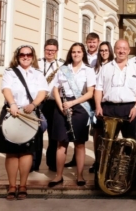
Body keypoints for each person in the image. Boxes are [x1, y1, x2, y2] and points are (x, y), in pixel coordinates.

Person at [0, 45, 48, 200]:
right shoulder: (9, 72)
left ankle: (23, 185)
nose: (25, 57)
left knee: (26, 151)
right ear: (17, 56)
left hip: (30, 113)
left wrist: (33, 105)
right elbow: (6, 89)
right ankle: (12, 186)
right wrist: (12, 104)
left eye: (29, 54)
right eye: (22, 54)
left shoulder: (38, 74)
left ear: (33, 56)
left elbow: (42, 92)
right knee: (11, 152)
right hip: (12, 113)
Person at [48, 43, 95, 188]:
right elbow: (55, 88)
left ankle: (80, 175)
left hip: (80, 106)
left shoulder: (88, 70)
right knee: (61, 143)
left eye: (79, 52)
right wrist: (61, 105)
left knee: (79, 143)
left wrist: (72, 103)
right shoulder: (63, 69)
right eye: (73, 52)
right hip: (62, 105)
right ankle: (58, 176)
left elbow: (90, 93)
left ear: (83, 54)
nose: (76, 54)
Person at [94, 39, 136, 157]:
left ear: (129, 51)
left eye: (124, 49)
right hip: (108, 108)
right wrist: (98, 106)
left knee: (130, 143)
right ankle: (103, 173)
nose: (121, 51)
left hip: (129, 108)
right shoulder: (106, 68)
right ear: (115, 50)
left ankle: (131, 174)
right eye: (119, 48)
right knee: (107, 143)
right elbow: (98, 89)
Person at [65, 33, 99, 168]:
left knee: (91, 132)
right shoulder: (68, 66)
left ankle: (97, 161)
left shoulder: (99, 58)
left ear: (98, 42)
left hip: (89, 97)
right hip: (75, 100)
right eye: (89, 42)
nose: (91, 44)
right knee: (72, 132)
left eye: (94, 42)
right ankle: (75, 159)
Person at [37, 39, 63, 172]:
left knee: (53, 135)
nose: (50, 52)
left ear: (57, 51)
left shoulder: (62, 65)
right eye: (48, 50)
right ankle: (34, 163)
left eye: (53, 50)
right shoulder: (37, 63)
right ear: (44, 50)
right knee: (36, 134)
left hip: (53, 103)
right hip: (38, 102)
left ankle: (52, 163)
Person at [89, 41, 114, 173]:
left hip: (108, 103)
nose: (104, 53)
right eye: (102, 50)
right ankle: (97, 160)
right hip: (96, 103)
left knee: (108, 134)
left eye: (106, 50)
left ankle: (107, 160)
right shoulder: (95, 66)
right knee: (97, 134)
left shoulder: (114, 65)